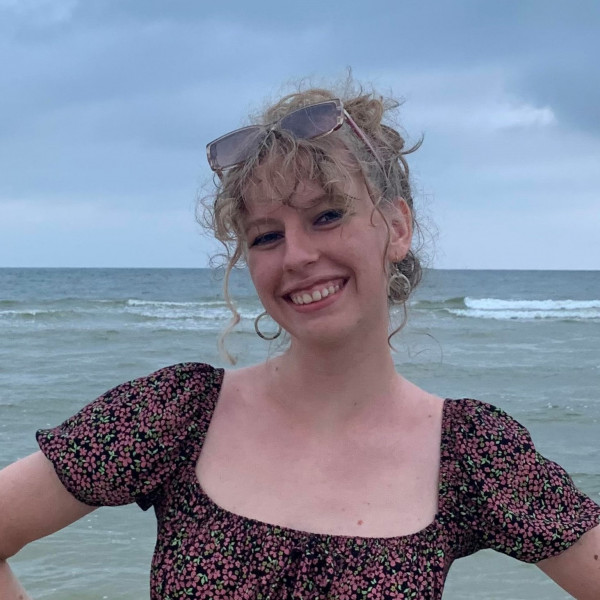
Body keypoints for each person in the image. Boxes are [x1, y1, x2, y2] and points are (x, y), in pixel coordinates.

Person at [1, 80, 599, 600]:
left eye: (327, 216)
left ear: (396, 227)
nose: (298, 256)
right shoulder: (177, 414)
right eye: (265, 236)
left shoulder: (472, 453)